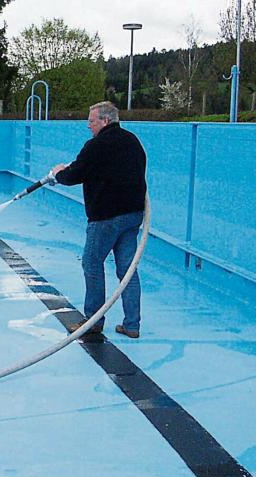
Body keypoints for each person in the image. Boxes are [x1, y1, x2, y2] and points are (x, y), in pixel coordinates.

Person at [52, 101, 146, 339]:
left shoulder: (97, 145)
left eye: (92, 121)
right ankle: (132, 325)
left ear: (105, 121)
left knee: (92, 264)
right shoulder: (133, 141)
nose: (88, 126)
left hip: (106, 217)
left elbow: (75, 175)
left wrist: (58, 173)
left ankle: (93, 321)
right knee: (127, 270)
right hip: (133, 215)